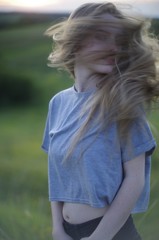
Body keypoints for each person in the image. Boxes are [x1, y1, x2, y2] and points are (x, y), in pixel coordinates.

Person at [42, 2, 159, 240]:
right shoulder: (58, 102)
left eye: (119, 40)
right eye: (101, 36)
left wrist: (100, 237)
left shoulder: (123, 102)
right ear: (75, 40)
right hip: (67, 233)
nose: (113, 48)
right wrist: (57, 228)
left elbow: (134, 180)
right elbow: (56, 172)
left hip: (111, 233)